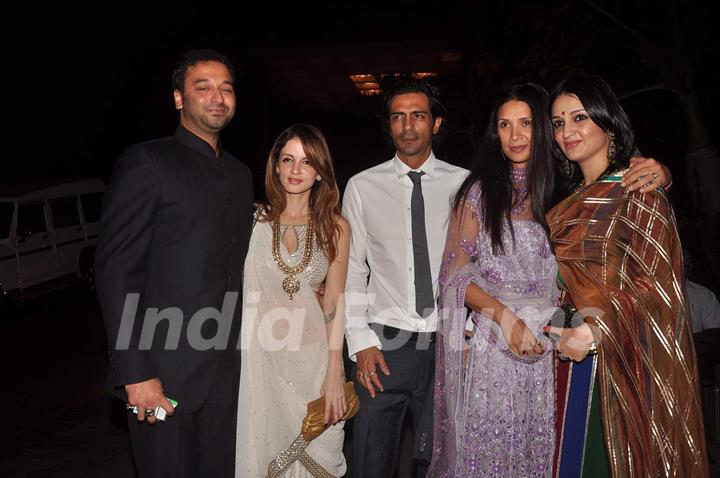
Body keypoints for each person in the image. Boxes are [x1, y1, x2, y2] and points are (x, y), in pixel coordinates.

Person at [96, 49, 254, 477]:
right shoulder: (148, 163)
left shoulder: (241, 176)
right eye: (203, 87)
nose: (217, 97)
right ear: (179, 99)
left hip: (226, 372)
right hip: (162, 373)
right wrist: (135, 372)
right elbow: (115, 271)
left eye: (226, 88)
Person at [546, 74, 708, 477]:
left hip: (616, 363)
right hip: (558, 351)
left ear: (608, 122)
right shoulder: (559, 201)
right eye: (558, 122)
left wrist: (595, 330)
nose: (567, 131)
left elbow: (660, 285)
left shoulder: (639, 188)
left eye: (579, 117)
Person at [429, 83, 560, 477]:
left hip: (554, 348)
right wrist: (504, 318)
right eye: (505, 125)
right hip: (494, 352)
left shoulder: (563, 190)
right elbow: (452, 278)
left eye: (526, 123)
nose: (515, 135)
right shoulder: (479, 193)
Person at [342, 78, 469, 477]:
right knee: (370, 461)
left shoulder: (465, 184)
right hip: (384, 346)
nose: (408, 125)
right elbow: (352, 270)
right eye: (398, 117)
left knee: (440, 463)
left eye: (418, 115)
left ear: (436, 123)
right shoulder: (362, 186)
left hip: (448, 344)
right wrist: (361, 342)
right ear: (390, 125)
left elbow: (478, 264)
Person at [235, 124, 351, 477]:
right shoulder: (251, 222)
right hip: (262, 367)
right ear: (275, 166)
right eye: (288, 160)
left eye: (306, 162)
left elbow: (334, 301)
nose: (296, 170)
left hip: (313, 365)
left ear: (320, 172)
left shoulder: (336, 227)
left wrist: (335, 371)